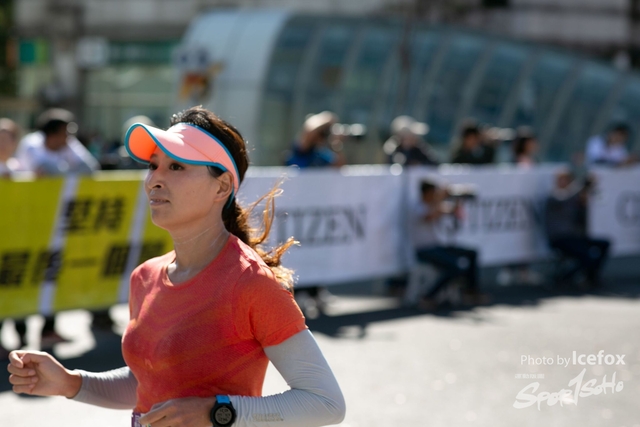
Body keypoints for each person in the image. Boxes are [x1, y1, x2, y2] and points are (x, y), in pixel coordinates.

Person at [8, 106, 345, 427]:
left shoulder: (250, 282)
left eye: (176, 167)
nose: (154, 180)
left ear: (221, 186)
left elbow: (325, 402)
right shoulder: (145, 276)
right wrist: (70, 382)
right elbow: (148, 382)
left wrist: (218, 413)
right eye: (153, 165)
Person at [409, 179, 488, 310]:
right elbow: (430, 216)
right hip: (424, 250)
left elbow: (453, 211)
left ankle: (471, 291)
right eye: (434, 193)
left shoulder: (435, 205)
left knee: (472, 253)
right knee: (456, 266)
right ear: (427, 193)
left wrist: (458, 198)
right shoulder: (417, 207)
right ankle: (428, 297)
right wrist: (440, 198)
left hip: (437, 247)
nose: (435, 195)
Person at [544, 169, 610, 288]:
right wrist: (582, 184)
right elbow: (564, 198)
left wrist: (583, 203)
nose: (564, 182)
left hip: (574, 237)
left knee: (604, 244)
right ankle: (564, 278)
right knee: (587, 255)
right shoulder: (553, 196)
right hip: (560, 238)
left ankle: (591, 277)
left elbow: (581, 219)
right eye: (561, 180)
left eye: (566, 180)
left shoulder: (574, 199)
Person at [16, 108, 100, 175]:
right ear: (52, 134)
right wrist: (69, 170)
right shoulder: (31, 144)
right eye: (65, 132)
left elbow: (90, 166)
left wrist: (63, 172)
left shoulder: (69, 142)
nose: (69, 135)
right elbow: (42, 170)